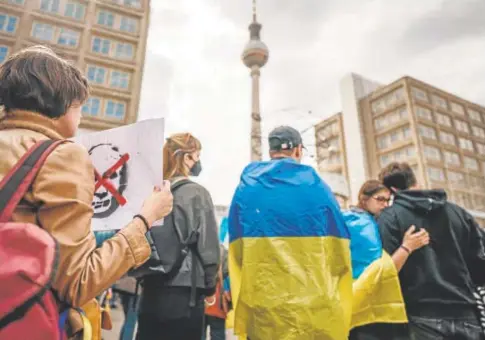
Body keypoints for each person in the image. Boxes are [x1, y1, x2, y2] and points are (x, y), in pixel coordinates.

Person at [0, 46, 173, 339]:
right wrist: (145, 219)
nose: (81, 116)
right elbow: (78, 282)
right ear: (62, 103)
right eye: (81, 106)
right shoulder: (63, 155)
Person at [228, 126, 353, 340]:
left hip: (264, 310)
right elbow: (339, 254)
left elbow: (236, 252)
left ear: (270, 152)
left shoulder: (246, 190)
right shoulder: (319, 189)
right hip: (312, 310)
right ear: (297, 151)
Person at [377, 162, 485, 340]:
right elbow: (479, 263)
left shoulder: (390, 217)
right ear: (415, 181)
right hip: (466, 312)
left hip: (421, 315)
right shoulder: (458, 212)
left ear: (393, 190)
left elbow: (387, 271)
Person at [136, 133, 220, 340]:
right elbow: (208, 247)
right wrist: (210, 287)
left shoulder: (150, 192)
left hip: (150, 288)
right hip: (185, 293)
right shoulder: (196, 194)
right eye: (196, 155)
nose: (198, 162)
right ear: (186, 157)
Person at [344, 180, 429, 340]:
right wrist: (407, 247)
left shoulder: (365, 221)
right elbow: (382, 270)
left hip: (360, 307)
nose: (385, 205)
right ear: (363, 199)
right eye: (380, 199)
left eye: (387, 200)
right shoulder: (361, 225)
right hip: (366, 308)